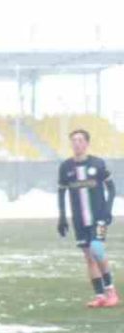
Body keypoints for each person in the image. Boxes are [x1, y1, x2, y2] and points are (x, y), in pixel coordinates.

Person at [57, 128, 117, 308]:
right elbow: (61, 193)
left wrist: (108, 210)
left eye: (80, 140)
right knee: (89, 257)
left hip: (98, 217)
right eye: (74, 140)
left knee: (97, 250)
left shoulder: (98, 164)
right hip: (79, 220)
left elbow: (111, 188)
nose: (76, 143)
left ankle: (111, 292)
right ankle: (100, 296)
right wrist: (62, 217)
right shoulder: (65, 167)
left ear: (87, 143)